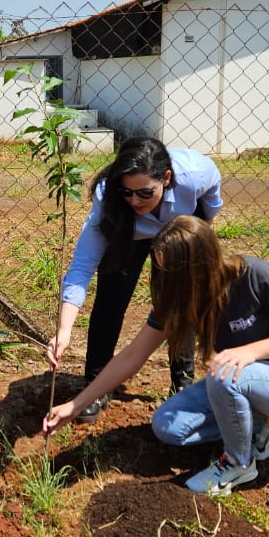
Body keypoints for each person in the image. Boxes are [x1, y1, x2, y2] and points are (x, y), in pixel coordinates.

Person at [44, 215, 269, 497]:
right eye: (159, 269)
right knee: (168, 426)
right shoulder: (179, 299)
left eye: (171, 272)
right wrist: (75, 404)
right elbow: (133, 355)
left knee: (225, 373)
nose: (163, 280)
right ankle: (262, 424)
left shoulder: (250, 274)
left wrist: (250, 352)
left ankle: (239, 463)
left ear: (200, 265)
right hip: (243, 380)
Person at [46, 137, 223, 421]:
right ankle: (96, 384)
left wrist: (199, 232)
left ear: (166, 179)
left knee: (179, 302)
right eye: (127, 192)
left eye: (144, 193)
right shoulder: (111, 200)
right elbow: (82, 266)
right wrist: (65, 330)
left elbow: (212, 195)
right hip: (128, 233)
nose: (134, 200)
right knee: (110, 301)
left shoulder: (194, 175)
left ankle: (182, 383)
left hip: (176, 228)